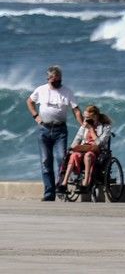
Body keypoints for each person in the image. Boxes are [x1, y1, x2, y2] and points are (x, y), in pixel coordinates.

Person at [25, 65, 83, 201]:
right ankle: (49, 193)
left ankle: (61, 188)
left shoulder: (67, 91)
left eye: (59, 80)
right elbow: (29, 101)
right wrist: (36, 116)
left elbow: (76, 110)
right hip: (44, 129)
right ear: (49, 78)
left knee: (61, 158)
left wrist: (83, 124)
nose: (57, 82)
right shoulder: (41, 90)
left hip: (60, 130)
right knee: (46, 161)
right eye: (54, 80)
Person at [59, 105, 112, 191]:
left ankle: (86, 182)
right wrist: (73, 148)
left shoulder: (105, 127)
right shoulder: (84, 125)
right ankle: (64, 183)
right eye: (85, 117)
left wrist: (91, 129)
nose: (85, 119)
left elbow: (100, 143)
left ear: (95, 116)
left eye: (88, 117)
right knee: (74, 155)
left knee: (88, 155)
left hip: (98, 151)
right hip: (84, 148)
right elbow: (78, 138)